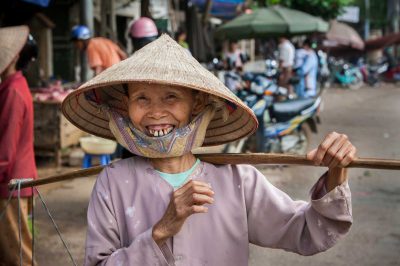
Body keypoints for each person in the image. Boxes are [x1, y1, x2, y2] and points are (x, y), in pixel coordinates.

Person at [61, 35, 356, 266]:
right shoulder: (113, 182)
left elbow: (306, 231)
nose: (156, 112)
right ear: (127, 107)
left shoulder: (237, 180)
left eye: (171, 97)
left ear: (197, 105)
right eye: (142, 99)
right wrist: (161, 230)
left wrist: (336, 172)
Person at [0, 25, 38, 266]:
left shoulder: (12, 91)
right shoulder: (14, 85)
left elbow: (5, 152)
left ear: (14, 57)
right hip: (17, 183)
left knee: (18, 257)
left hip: (11, 185)